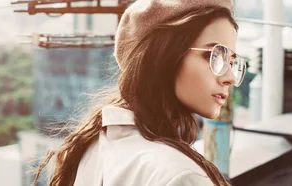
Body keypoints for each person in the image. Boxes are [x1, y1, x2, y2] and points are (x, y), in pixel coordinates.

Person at [33, 0, 247, 185]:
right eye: (214, 56)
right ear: (163, 57)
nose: (230, 78)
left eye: (232, 62)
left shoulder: (93, 143)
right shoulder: (181, 176)